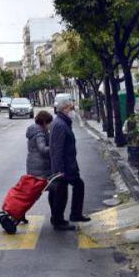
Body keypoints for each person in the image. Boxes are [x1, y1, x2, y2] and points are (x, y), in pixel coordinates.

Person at [48, 98, 90, 231]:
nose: (72, 111)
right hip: (65, 166)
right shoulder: (60, 124)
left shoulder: (62, 122)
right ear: (64, 109)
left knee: (64, 191)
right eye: (71, 108)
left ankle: (66, 217)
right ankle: (61, 220)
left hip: (67, 164)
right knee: (64, 191)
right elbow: (57, 149)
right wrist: (59, 170)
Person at [21, 110, 54, 224]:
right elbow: (43, 149)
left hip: (34, 166)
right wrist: (54, 147)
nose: (50, 125)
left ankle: (19, 212)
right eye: (49, 122)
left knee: (32, 193)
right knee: (54, 189)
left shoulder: (35, 130)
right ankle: (55, 216)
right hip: (41, 168)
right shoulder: (39, 133)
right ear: (44, 122)